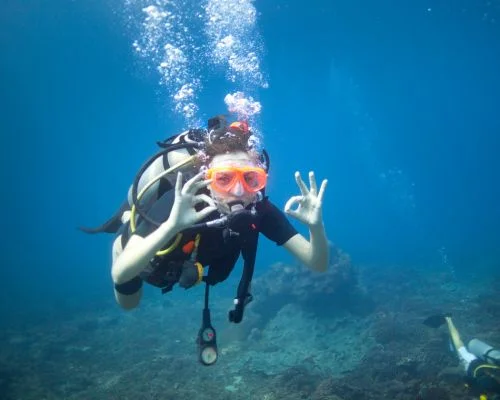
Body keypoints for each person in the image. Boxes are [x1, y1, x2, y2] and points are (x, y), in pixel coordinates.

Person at [82, 116, 329, 364]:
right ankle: (129, 227)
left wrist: (316, 227)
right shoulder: (182, 202)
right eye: (224, 179)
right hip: (144, 259)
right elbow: (121, 273)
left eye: (250, 179)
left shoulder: (260, 210)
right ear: (207, 180)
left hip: (188, 265)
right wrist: (172, 225)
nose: (239, 191)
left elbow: (317, 263)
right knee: (129, 304)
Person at [424, 313, 500, 399]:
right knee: (459, 345)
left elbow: (458, 342)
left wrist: (449, 320)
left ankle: (448, 322)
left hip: (476, 365)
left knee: (458, 345)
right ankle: (448, 322)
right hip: (475, 365)